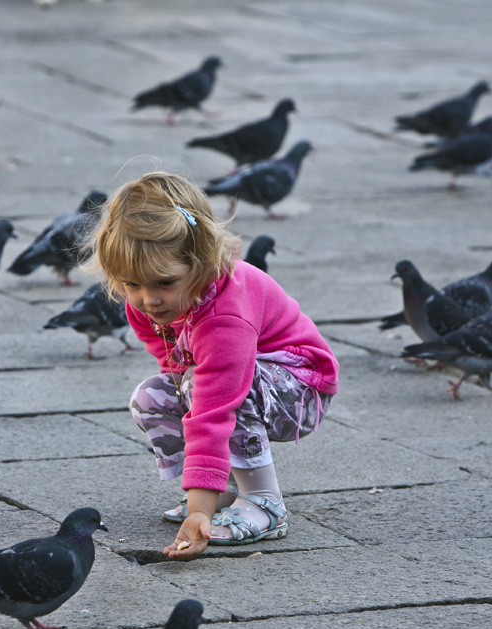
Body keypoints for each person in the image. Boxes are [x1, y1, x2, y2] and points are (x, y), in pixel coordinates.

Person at [89, 171, 339, 559]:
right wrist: (202, 489)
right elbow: (177, 372)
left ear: (201, 262)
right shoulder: (148, 306)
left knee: (197, 389)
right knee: (153, 396)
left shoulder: (224, 319)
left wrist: (197, 511)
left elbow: (213, 408)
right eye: (131, 284)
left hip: (300, 389)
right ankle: (220, 487)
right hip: (245, 380)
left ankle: (264, 501)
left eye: (164, 283)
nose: (148, 299)